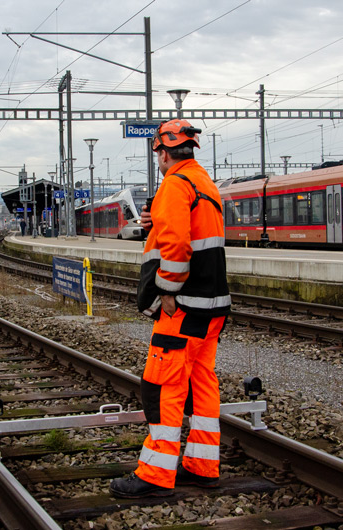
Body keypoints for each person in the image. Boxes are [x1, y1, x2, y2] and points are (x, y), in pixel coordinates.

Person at [109, 119, 231, 499]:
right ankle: (202, 465)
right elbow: (187, 231)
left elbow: (177, 246)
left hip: (182, 306)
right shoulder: (203, 183)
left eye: (158, 153)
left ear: (163, 152)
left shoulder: (174, 185)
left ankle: (156, 474)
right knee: (201, 381)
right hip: (212, 306)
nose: (159, 159)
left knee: (163, 385)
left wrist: (166, 289)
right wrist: (154, 222)